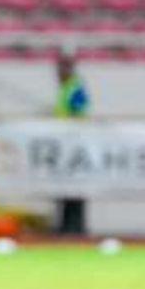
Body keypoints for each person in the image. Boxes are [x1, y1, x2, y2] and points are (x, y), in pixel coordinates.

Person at [54, 53, 90, 236]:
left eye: (62, 68)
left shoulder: (75, 88)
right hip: (64, 144)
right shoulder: (66, 88)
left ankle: (76, 227)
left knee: (76, 186)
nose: (58, 73)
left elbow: (78, 112)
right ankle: (64, 225)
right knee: (62, 186)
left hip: (75, 144)